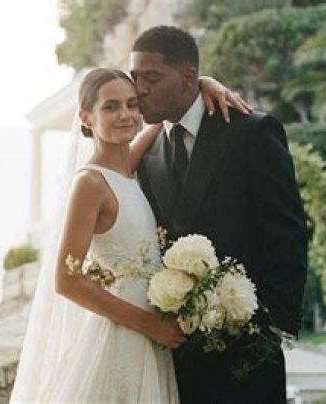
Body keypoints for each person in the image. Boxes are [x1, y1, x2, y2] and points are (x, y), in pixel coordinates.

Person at [8, 68, 249, 403]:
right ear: (85, 116)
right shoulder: (89, 184)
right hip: (123, 337)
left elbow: (161, 120)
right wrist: (151, 325)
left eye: (132, 104)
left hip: (149, 340)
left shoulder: (125, 169)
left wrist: (202, 84)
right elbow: (66, 280)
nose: (125, 115)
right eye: (111, 107)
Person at [131, 26, 309, 403]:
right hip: (173, 355)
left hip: (247, 349)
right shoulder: (146, 153)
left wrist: (269, 327)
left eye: (152, 78)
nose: (140, 89)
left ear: (188, 78)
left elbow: (288, 233)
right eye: (135, 77)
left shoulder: (251, 132)